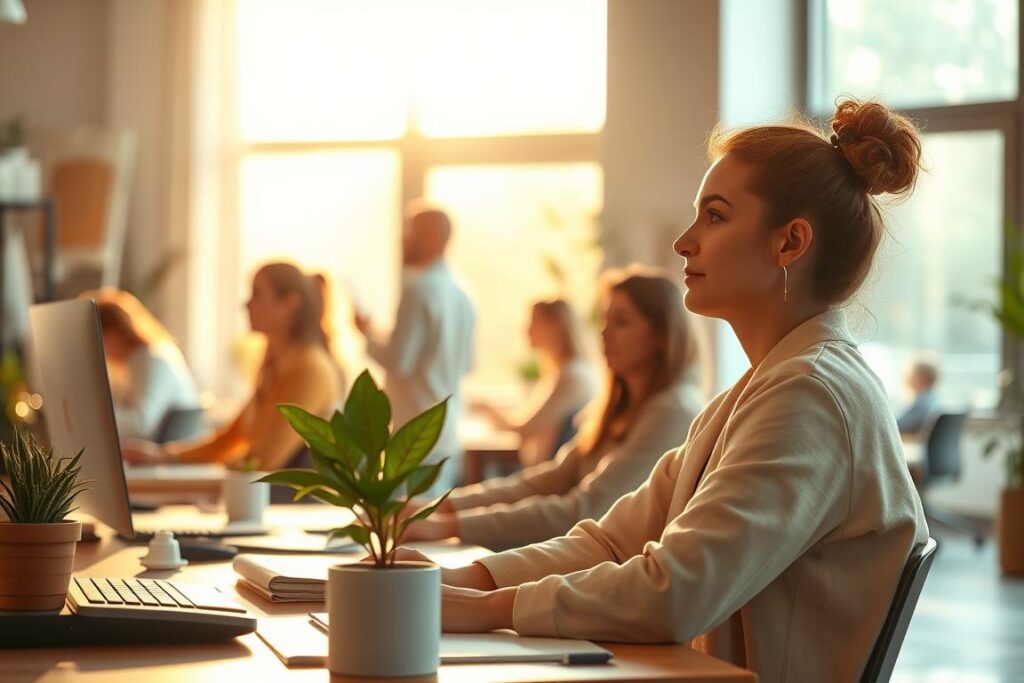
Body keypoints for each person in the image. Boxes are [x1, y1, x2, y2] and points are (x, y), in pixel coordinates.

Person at [398, 100, 930, 683]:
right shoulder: (761, 389)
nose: (683, 241)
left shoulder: (811, 396)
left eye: (715, 217)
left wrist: (488, 609)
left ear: (790, 243)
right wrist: (466, 580)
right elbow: (612, 541)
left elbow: (677, 592)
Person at [404, 269, 705, 551]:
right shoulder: (619, 407)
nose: (604, 332)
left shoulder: (673, 411)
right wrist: (437, 507)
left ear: (661, 336)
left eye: (621, 322)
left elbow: (585, 510)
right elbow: (546, 481)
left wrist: (446, 525)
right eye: (604, 319)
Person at [123, 262, 343, 470]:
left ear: (290, 304)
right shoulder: (277, 368)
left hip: (291, 506)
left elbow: (263, 461)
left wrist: (199, 481)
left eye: (257, 293)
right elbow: (229, 440)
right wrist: (164, 456)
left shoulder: (311, 369)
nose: (246, 304)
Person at [354, 203, 475, 495]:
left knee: (406, 529)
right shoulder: (462, 294)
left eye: (409, 231)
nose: (402, 241)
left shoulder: (419, 290)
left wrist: (366, 333)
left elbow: (400, 361)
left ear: (432, 237)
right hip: (445, 434)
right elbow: (465, 364)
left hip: (414, 437)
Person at [473, 298, 597, 468]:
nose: (526, 331)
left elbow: (525, 428)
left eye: (533, 323)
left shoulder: (572, 375)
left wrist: (485, 407)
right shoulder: (566, 371)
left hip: (546, 475)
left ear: (555, 326)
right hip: (543, 471)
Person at [89, 289, 200, 442]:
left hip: (163, 453)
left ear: (116, 332)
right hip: (146, 451)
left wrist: (92, 417)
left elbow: (142, 423)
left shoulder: (155, 357)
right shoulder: (126, 365)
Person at [896, 358, 940, 435]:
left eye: (910, 373)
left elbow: (897, 426)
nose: (906, 377)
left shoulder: (922, 402)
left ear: (922, 378)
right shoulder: (934, 399)